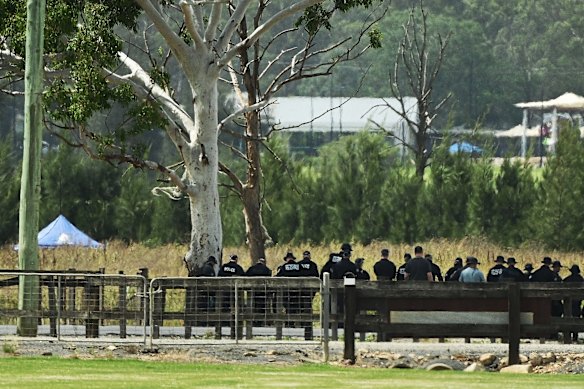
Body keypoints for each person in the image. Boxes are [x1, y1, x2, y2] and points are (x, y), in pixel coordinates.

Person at [564, 265, 584, 341]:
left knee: (568, 317)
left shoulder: (568, 279)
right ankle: (575, 336)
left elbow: (563, 282)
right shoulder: (581, 279)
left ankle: (568, 335)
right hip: (577, 301)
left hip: (569, 302)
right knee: (577, 317)